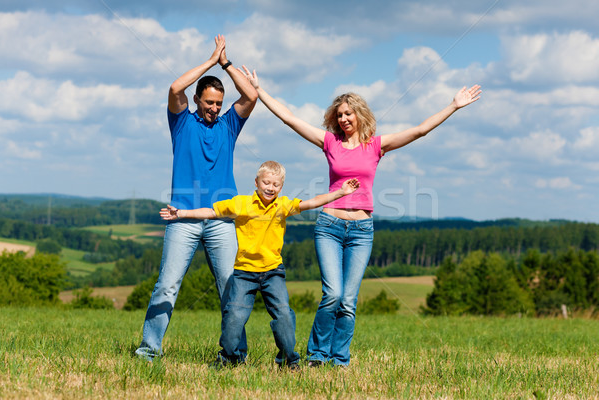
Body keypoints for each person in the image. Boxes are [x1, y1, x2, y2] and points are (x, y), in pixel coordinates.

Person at [241, 66, 481, 367]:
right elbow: (290, 118)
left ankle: (339, 358)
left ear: (359, 115)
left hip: (361, 231)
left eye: (348, 113)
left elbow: (420, 130)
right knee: (332, 294)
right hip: (329, 226)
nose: (343, 119)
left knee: (349, 301)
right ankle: (317, 355)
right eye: (339, 114)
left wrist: (453, 106)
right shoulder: (330, 143)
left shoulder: (375, 146)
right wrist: (259, 90)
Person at [159, 161, 361, 368]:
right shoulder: (241, 204)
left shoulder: (282, 206)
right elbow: (211, 212)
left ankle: (288, 358)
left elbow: (312, 202)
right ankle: (229, 356)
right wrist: (182, 214)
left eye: (275, 184)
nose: (270, 187)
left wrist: (341, 193)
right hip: (244, 273)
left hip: (273, 272)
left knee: (283, 314)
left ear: (281, 187)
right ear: (256, 182)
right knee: (234, 315)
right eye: (266, 182)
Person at [135, 35, 258, 361]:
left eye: (219, 103)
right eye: (209, 103)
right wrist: (210, 59)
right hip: (182, 219)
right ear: (197, 99)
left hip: (221, 220)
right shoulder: (181, 121)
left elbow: (251, 95)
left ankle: (234, 355)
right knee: (167, 287)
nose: (215, 109)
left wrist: (226, 64)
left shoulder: (229, 124)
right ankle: (149, 351)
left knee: (231, 291)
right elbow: (175, 88)